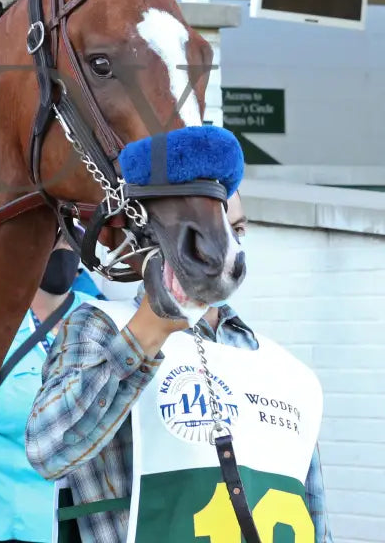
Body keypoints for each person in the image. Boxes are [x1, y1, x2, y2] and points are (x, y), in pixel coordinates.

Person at [25, 193, 333, 543]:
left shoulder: (288, 373)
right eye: (206, 230)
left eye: (237, 231)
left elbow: (317, 522)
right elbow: (47, 452)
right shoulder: (102, 327)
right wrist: (144, 334)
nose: (224, 247)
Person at [0, 241, 99, 543]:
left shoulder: (104, 321)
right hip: (0, 528)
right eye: (55, 238)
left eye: (72, 236)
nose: (65, 248)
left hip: (82, 529)